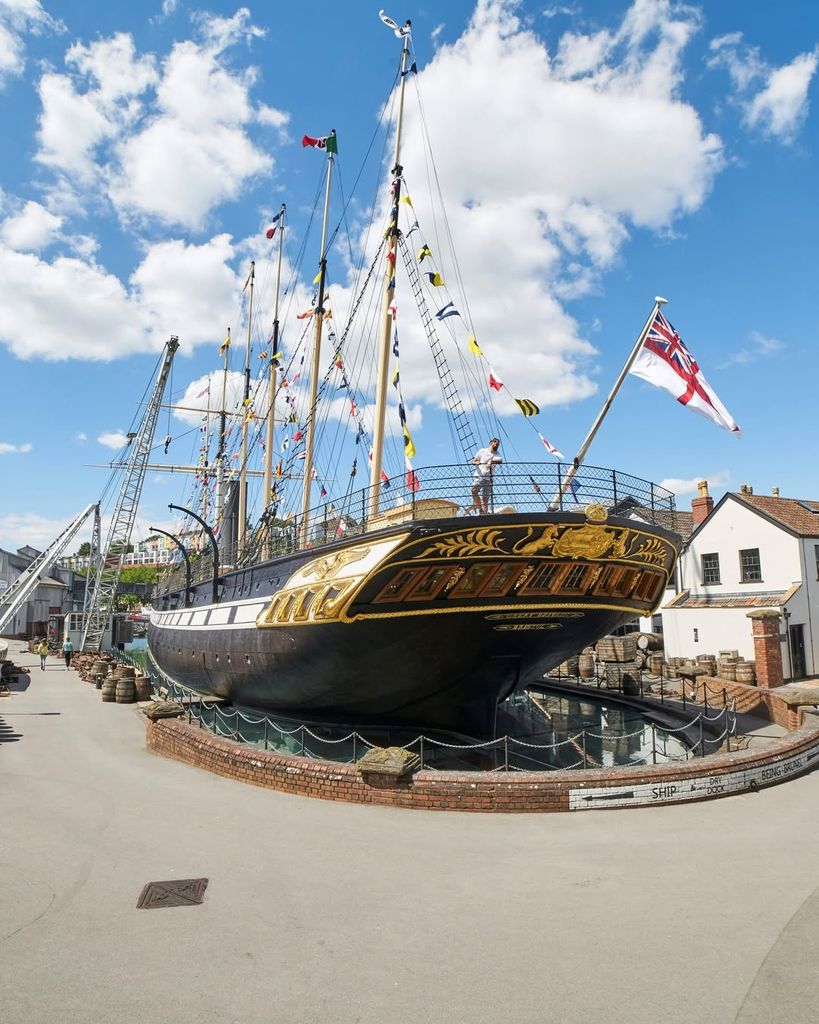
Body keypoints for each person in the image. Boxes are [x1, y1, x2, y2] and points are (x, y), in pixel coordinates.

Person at [465, 437, 502, 515]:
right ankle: (480, 509)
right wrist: (476, 462)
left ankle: (484, 514)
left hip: (488, 479)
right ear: (491, 443)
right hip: (479, 476)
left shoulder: (497, 454)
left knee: (485, 499)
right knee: (474, 491)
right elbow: (473, 461)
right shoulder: (482, 451)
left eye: (498, 443)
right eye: (495, 442)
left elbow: (500, 460)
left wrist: (491, 461)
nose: (497, 444)